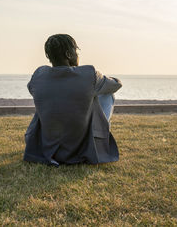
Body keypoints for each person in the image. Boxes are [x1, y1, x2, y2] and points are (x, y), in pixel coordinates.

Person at [24, 34, 122, 166]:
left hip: (47, 151)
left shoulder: (38, 75)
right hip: (82, 151)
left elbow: (32, 89)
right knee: (106, 95)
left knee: (51, 98)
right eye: (76, 51)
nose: (77, 55)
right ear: (69, 54)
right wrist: (99, 79)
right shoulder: (89, 74)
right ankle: (98, 141)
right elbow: (117, 84)